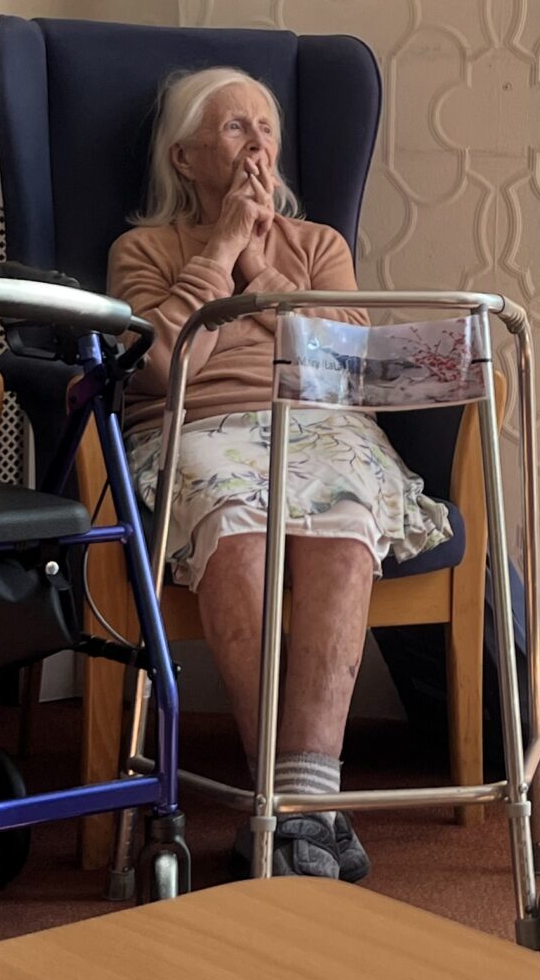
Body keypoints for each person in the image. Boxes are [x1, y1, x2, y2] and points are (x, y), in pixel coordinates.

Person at [109, 66, 452, 883]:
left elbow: (349, 368)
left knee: (342, 522)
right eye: (233, 128)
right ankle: (300, 816)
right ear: (185, 157)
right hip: (198, 429)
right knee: (235, 524)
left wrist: (263, 276)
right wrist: (221, 252)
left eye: (266, 127)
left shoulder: (319, 244)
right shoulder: (143, 249)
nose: (258, 141)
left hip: (324, 426)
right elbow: (159, 369)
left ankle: (294, 808)